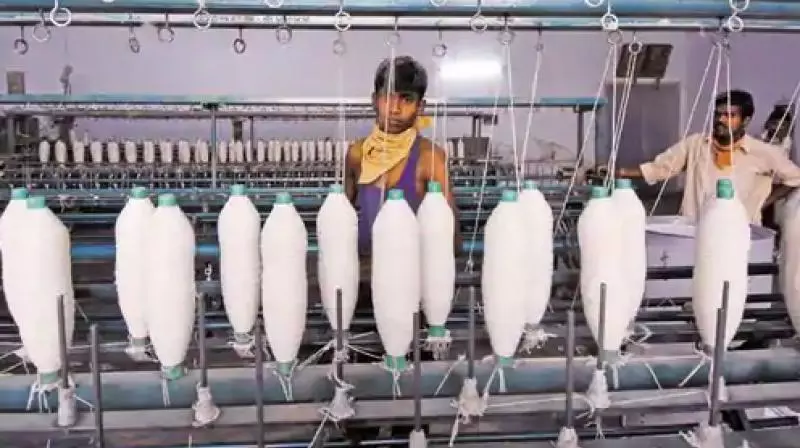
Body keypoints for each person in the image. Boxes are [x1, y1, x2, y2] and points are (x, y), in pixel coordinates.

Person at [615, 89, 800, 225]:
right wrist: (618, 172)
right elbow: (660, 168)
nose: (720, 120)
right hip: (695, 230)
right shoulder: (696, 144)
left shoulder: (763, 152)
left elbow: (795, 178)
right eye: (718, 114)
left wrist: (763, 203)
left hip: (740, 232)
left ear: (746, 121)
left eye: (729, 115)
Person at [344, 55, 459, 254]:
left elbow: (452, 236)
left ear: (420, 107)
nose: (395, 109)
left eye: (407, 99)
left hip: (412, 269)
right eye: (388, 97)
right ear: (374, 101)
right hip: (364, 267)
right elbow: (341, 219)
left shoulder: (430, 158)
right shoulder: (357, 154)